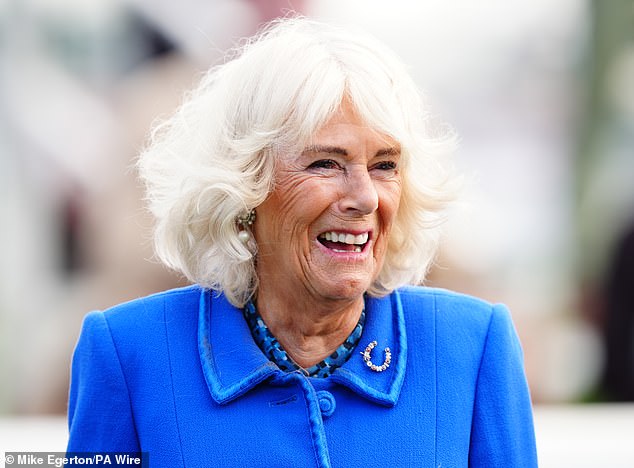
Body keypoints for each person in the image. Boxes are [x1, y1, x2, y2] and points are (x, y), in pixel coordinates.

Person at [67, 17, 538, 467]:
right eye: (325, 164)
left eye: (385, 165)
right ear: (244, 186)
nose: (364, 197)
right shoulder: (130, 355)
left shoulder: (472, 347)